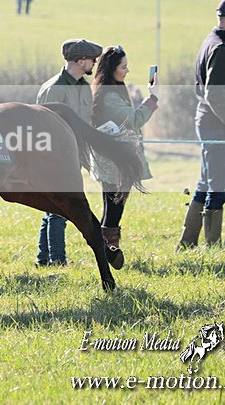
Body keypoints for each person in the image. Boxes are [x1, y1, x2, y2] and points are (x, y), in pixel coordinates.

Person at [178, 0, 225, 248]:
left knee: (206, 182)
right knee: (219, 187)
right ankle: (211, 247)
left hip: (208, 122)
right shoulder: (221, 48)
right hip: (218, 125)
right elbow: (215, 93)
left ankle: (187, 243)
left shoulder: (212, 41)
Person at [35, 38, 103, 266]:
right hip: (54, 156)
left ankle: (43, 259)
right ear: (80, 60)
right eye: (92, 59)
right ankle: (57, 261)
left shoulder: (84, 87)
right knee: (61, 208)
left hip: (76, 154)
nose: (94, 62)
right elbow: (44, 128)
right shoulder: (54, 89)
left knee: (54, 208)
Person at [90, 46, 159, 259]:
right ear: (111, 69)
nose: (127, 71)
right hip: (115, 160)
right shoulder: (109, 97)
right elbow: (135, 119)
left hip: (114, 158)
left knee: (112, 206)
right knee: (114, 207)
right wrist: (152, 99)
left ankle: (107, 249)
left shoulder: (111, 92)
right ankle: (109, 250)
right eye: (123, 66)